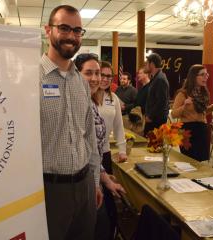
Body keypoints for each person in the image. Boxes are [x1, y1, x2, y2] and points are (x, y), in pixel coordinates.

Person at [40, 5, 101, 240]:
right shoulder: (29, 78)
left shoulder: (81, 83)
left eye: (77, 31)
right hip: (49, 191)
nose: (71, 36)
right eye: (64, 28)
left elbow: (90, 138)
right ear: (48, 30)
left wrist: (95, 182)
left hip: (85, 186)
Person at [74, 54, 126, 240]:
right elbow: (84, 150)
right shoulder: (77, 103)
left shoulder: (92, 102)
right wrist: (100, 180)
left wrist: (103, 178)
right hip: (82, 181)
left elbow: (92, 150)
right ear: (76, 74)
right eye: (89, 73)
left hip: (96, 171)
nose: (96, 78)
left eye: (99, 74)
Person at [171, 65, 213, 161]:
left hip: (201, 130)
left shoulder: (203, 93)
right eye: (202, 74)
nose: (206, 77)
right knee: (188, 161)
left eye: (206, 74)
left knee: (200, 162)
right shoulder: (183, 93)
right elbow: (173, 114)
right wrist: (184, 106)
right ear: (193, 77)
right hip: (188, 131)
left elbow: (204, 112)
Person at [98, 61, 127, 170]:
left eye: (109, 76)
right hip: (88, 154)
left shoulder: (113, 98)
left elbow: (118, 126)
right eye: (102, 75)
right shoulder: (86, 96)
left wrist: (122, 150)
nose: (105, 79)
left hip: (105, 151)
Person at [144, 53, 169, 136]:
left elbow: (161, 102)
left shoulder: (160, 79)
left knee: (153, 146)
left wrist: (150, 116)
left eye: (146, 63)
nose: (145, 66)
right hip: (153, 119)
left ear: (151, 64)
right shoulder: (155, 78)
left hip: (156, 120)